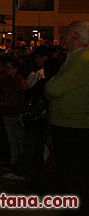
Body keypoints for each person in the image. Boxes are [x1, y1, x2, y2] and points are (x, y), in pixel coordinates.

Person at [44, 20, 89, 209]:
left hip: (73, 128)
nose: (63, 35)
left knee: (72, 178)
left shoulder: (81, 61)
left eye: (67, 31)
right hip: (70, 126)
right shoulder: (75, 59)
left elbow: (53, 88)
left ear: (75, 36)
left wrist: (50, 84)